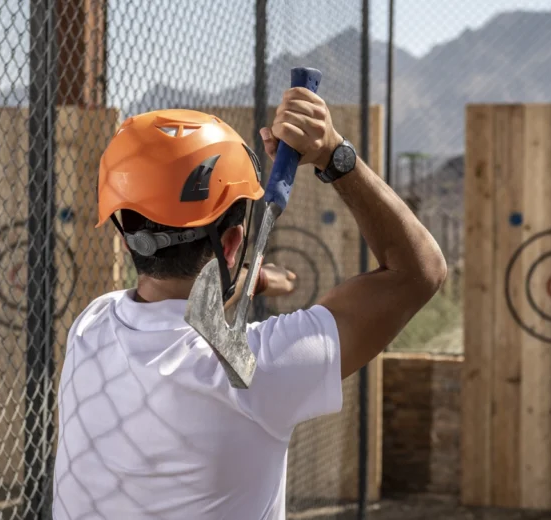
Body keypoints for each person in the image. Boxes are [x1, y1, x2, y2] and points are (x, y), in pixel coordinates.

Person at [52, 87, 447, 520]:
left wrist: (250, 279)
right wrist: (334, 155)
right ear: (232, 243)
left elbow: (186, 313)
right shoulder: (255, 370)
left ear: (127, 236)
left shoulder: (92, 326)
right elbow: (419, 272)